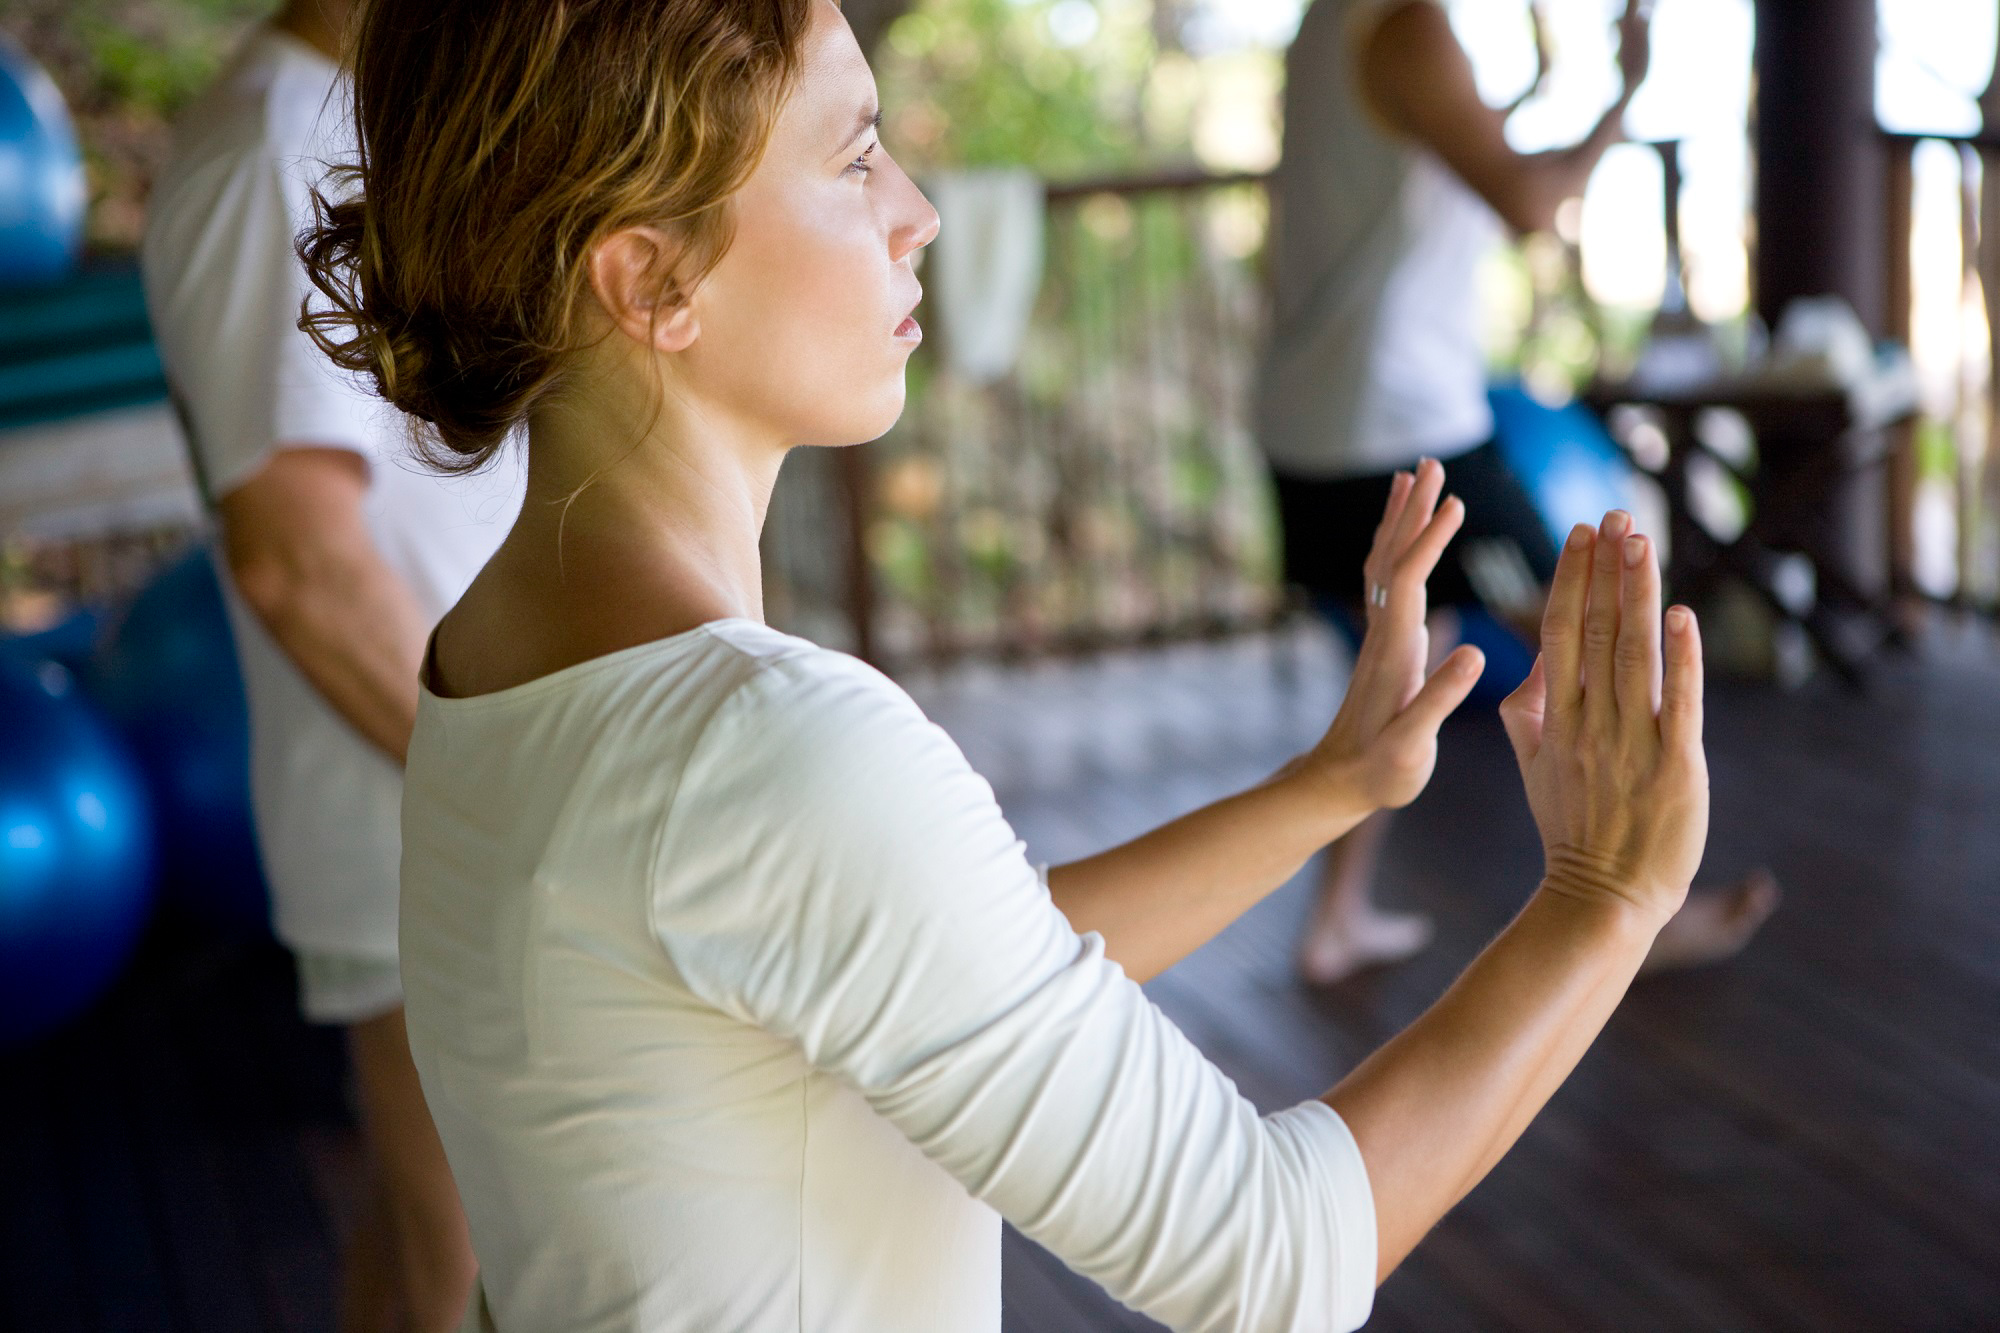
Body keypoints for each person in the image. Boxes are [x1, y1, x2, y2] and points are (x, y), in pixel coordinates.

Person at [306, 1, 1713, 1328]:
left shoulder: (485, 654)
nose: (916, 211)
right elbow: (1273, 1260)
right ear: (650, 277)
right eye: (857, 158)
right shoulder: (768, 747)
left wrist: (1330, 785)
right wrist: (1604, 898)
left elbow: (929, 960)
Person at [1259, 0, 1779, 984]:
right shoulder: (1407, 23)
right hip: (1398, 426)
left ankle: (1333, 918)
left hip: (1314, 416)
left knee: (1394, 663)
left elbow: (1450, 146)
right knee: (1590, 630)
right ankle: (1637, 909)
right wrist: (1623, 93)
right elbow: (1530, 205)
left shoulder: (1332, 20)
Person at [140, 1, 518, 1327]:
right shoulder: (269, 151)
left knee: (438, 1256)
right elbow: (297, 560)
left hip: (473, 792)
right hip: (432, 815)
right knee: (464, 1266)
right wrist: (525, 799)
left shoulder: (370, 124)